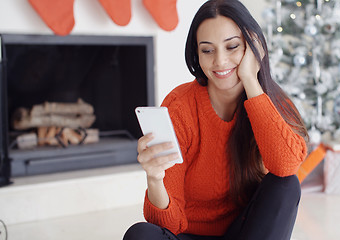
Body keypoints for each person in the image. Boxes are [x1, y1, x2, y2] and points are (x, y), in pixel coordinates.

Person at [123, 0, 308, 239]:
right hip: (188, 234)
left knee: (286, 184)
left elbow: (286, 167)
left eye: (232, 47)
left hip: (243, 233)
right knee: (141, 234)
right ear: (196, 55)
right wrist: (155, 179)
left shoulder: (270, 101)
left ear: (252, 48)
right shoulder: (181, 106)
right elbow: (169, 225)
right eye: (207, 50)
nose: (220, 61)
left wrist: (251, 80)